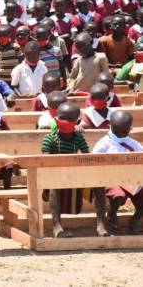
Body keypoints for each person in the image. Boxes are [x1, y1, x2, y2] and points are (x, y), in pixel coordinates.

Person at [41, 102, 94, 238]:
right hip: (53, 174)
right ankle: (56, 226)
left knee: (98, 184)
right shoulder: (50, 139)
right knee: (54, 185)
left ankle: (102, 224)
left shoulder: (78, 138)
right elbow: (46, 160)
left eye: (70, 119)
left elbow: (87, 156)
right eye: (62, 118)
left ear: (77, 122)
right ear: (56, 119)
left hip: (73, 174)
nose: (66, 122)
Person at [92, 110, 143, 234]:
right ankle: (112, 213)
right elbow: (94, 165)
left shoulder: (133, 144)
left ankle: (135, 220)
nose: (120, 134)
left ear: (130, 128)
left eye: (124, 131)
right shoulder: (103, 144)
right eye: (117, 130)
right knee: (118, 196)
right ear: (110, 126)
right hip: (110, 179)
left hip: (131, 180)